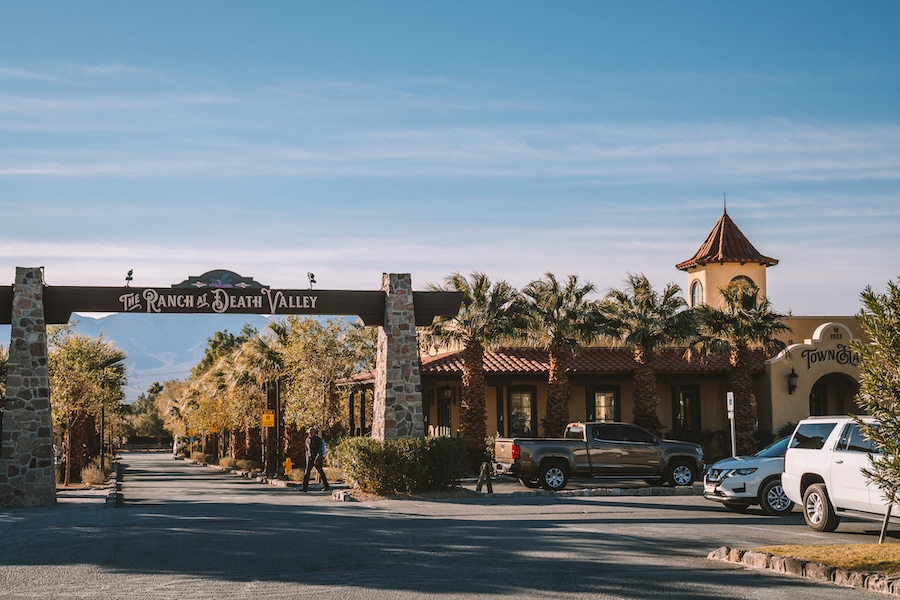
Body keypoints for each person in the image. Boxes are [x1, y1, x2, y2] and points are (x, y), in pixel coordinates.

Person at [301, 427, 330, 492]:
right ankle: (304, 487)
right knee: (307, 472)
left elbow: (319, 450)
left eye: (311, 433)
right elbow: (306, 449)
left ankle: (326, 486)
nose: (310, 434)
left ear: (314, 433)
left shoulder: (318, 440)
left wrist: (317, 459)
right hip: (310, 458)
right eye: (309, 433)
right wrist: (307, 458)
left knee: (320, 472)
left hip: (317, 458)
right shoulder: (307, 440)